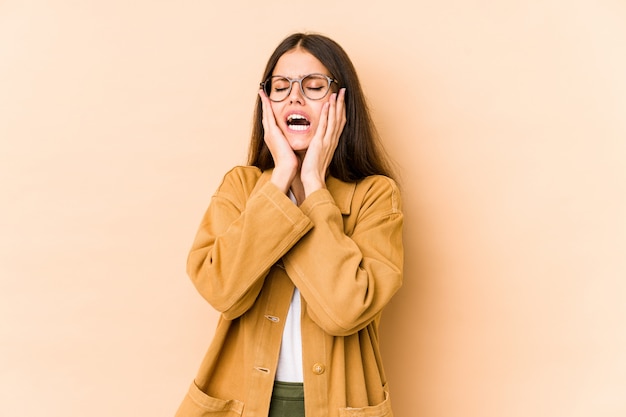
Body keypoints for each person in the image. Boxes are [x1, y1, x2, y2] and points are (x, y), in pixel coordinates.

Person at [175, 32, 404, 417]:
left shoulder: (376, 195)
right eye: (281, 87)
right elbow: (222, 290)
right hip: (241, 404)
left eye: (314, 86)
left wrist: (313, 184)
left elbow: (345, 309)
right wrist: (282, 175)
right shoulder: (241, 186)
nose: (295, 97)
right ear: (266, 104)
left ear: (342, 104)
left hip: (337, 405)